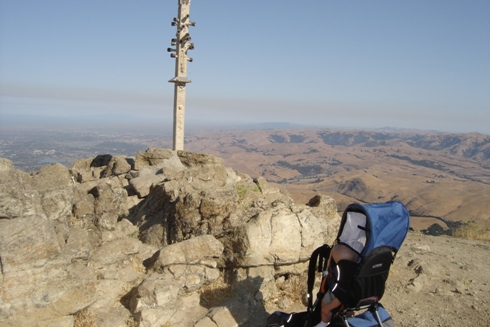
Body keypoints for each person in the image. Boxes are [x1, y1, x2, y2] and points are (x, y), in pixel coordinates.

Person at [314, 243, 360, 327]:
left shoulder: (343, 280)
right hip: (354, 296)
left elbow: (340, 298)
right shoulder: (356, 272)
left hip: (339, 296)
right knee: (347, 309)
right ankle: (345, 319)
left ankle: (324, 324)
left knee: (325, 306)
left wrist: (327, 309)